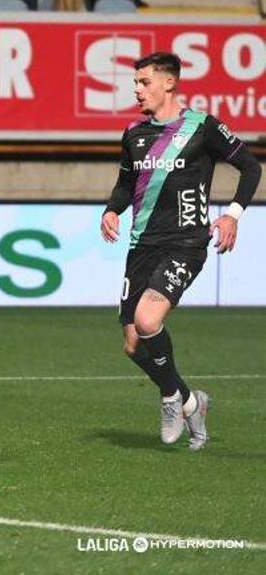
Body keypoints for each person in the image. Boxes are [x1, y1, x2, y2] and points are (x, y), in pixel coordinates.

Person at [100, 52, 260, 451]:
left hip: (186, 243)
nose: (137, 90)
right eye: (135, 83)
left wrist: (232, 215)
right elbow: (125, 185)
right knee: (133, 344)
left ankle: (170, 398)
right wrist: (111, 210)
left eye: (144, 82)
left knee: (147, 318)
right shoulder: (134, 135)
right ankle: (190, 400)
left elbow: (251, 167)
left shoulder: (202, 128)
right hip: (142, 245)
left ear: (169, 83)